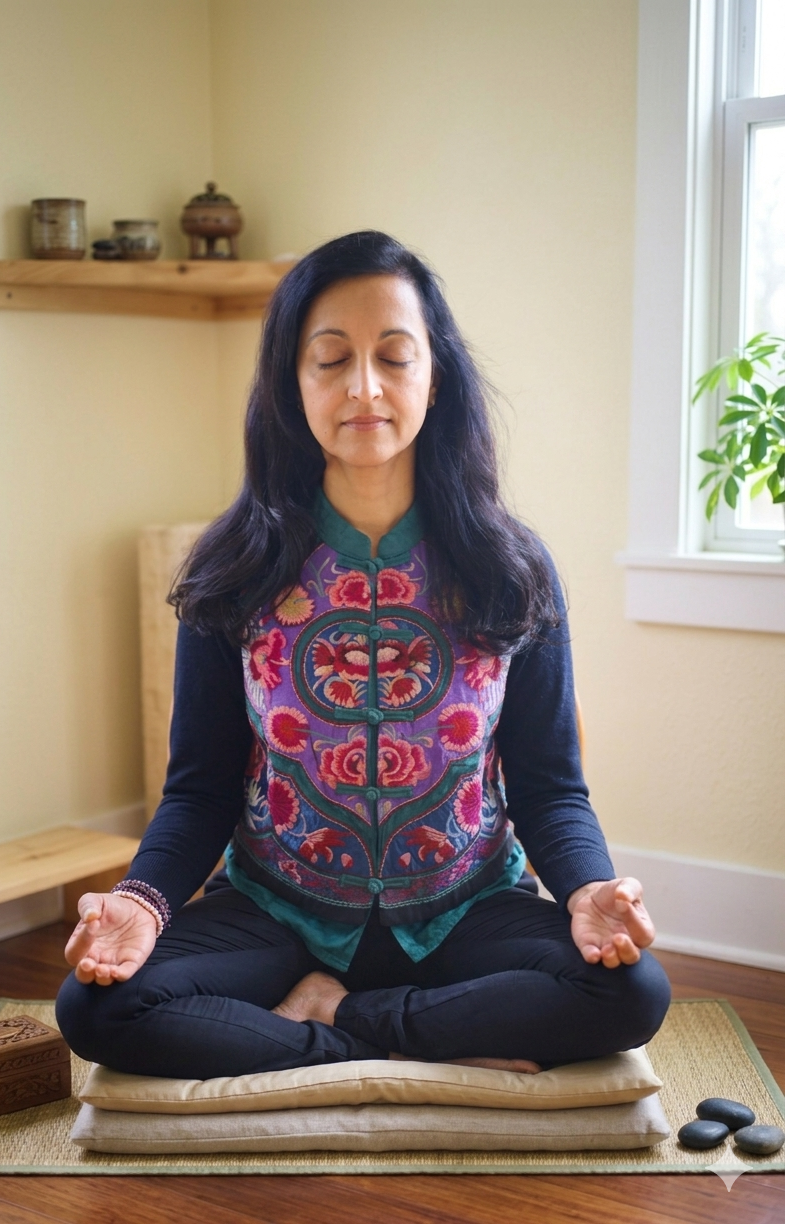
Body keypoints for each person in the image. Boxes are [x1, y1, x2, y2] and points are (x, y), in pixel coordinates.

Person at [56, 231, 670, 1081]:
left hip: (467, 911)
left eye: (393, 356)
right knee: (98, 1007)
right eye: (330, 360)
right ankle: (405, 1038)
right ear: (290, 382)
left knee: (632, 994)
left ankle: (338, 1017)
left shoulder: (511, 565)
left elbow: (549, 784)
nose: (364, 387)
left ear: (434, 374)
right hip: (278, 912)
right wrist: (142, 902)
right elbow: (199, 788)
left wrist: (588, 893)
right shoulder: (233, 567)